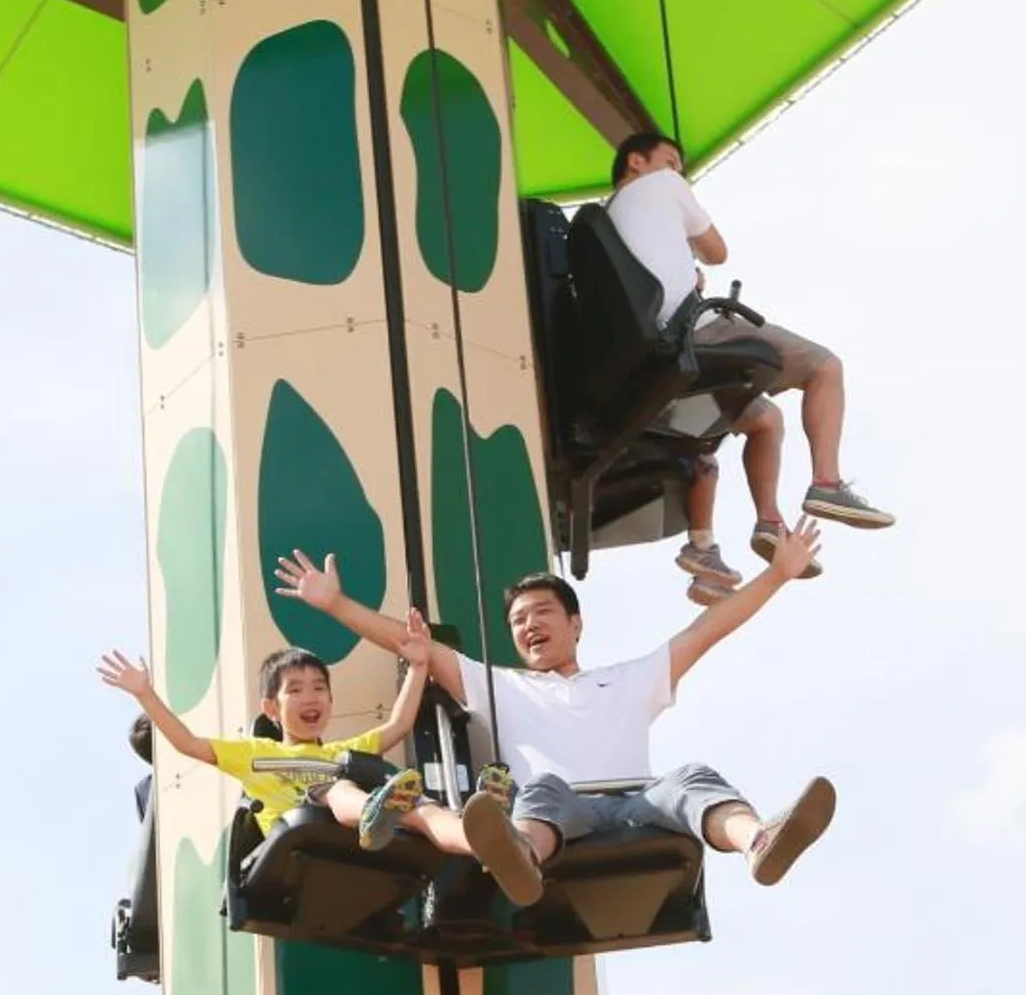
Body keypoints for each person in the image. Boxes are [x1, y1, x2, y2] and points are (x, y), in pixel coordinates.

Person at [272, 540, 835, 909]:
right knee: (540, 789)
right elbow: (406, 641)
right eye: (518, 620)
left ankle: (757, 841)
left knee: (690, 778)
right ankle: (519, 858)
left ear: (575, 623)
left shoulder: (633, 677)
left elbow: (708, 628)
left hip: (638, 801)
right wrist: (336, 604)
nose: (529, 625)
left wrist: (779, 574)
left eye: (541, 613)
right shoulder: (498, 686)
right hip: (567, 809)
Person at [603, 131, 891, 603]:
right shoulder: (663, 186)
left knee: (763, 421)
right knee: (825, 367)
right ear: (636, 161)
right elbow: (717, 250)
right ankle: (827, 482)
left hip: (644, 355)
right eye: (672, 161)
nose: (678, 172)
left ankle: (755, 529)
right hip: (694, 332)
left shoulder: (607, 221)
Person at [97, 615, 433, 849]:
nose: (310, 697)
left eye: (318, 688)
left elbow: (399, 725)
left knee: (424, 809)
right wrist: (145, 694)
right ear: (271, 708)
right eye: (296, 690)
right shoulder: (257, 754)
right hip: (299, 840)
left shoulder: (340, 753)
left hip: (351, 836)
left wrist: (419, 666)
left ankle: (469, 830)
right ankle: (372, 811)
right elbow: (188, 744)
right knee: (334, 787)